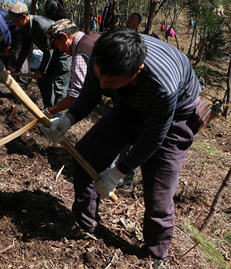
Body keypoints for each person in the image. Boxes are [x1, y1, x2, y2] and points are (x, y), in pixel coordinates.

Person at [41, 28, 201, 268]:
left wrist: (119, 172)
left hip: (177, 116)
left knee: (158, 189)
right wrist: (67, 120)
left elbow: (153, 138)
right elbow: (90, 93)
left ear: (137, 71)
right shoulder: (103, 56)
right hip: (130, 104)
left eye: (112, 82)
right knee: (86, 153)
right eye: (101, 77)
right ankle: (85, 223)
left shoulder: (162, 86)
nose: (104, 84)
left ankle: (156, 254)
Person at [7, 2, 71, 108]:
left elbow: (49, 50)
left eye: (14, 19)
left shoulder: (42, 25)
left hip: (62, 53)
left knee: (59, 86)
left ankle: (59, 118)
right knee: (43, 81)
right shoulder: (24, 27)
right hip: (49, 53)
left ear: (23, 17)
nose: (13, 23)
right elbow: (25, 49)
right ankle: (48, 111)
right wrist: (16, 67)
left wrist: (41, 70)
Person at [41, 19, 100, 116]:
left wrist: (50, 112)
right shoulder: (94, 37)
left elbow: (75, 95)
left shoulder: (80, 55)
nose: (59, 50)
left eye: (57, 45)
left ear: (64, 37)